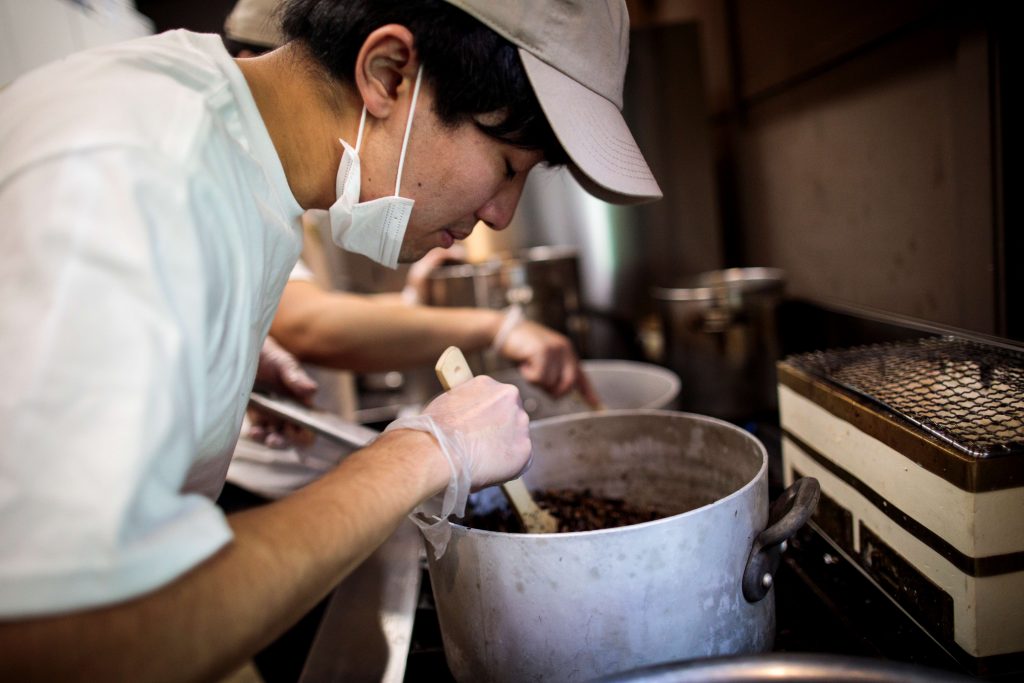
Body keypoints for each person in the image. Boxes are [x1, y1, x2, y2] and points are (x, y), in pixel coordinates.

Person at [0, 1, 661, 681]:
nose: (501, 212)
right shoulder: (132, 170)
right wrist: (426, 452)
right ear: (389, 73)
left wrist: (198, 360)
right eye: (505, 165)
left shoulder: (236, 170)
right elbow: (57, 634)